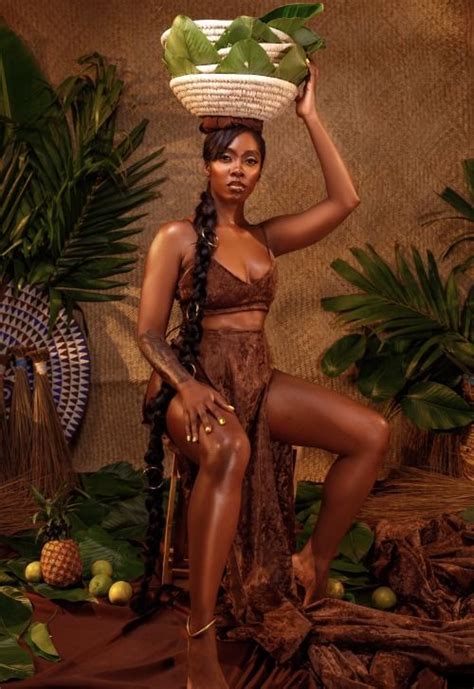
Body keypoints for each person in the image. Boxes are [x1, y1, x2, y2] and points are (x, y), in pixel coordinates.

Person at [134, 61, 390, 689]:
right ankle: (200, 640)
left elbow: (345, 200)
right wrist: (187, 385)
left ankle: (314, 561)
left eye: (251, 160)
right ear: (207, 164)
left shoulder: (268, 240)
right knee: (232, 449)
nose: (239, 170)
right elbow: (146, 332)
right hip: (193, 388)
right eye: (228, 158)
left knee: (372, 433)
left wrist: (309, 116)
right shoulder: (176, 239)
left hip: (259, 380)